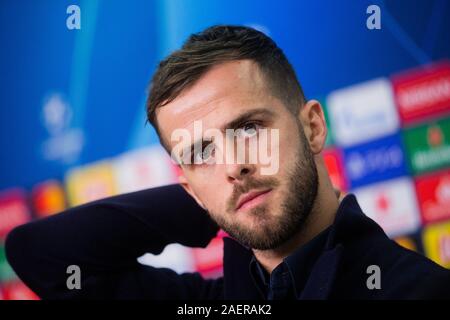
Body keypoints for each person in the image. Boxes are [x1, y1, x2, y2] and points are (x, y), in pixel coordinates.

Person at [5, 25, 450, 299]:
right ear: (188, 185)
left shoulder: (415, 291)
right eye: (200, 152)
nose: (233, 164)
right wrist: (207, 200)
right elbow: (41, 255)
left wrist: (218, 191)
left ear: (313, 127)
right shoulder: (220, 300)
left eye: (250, 128)